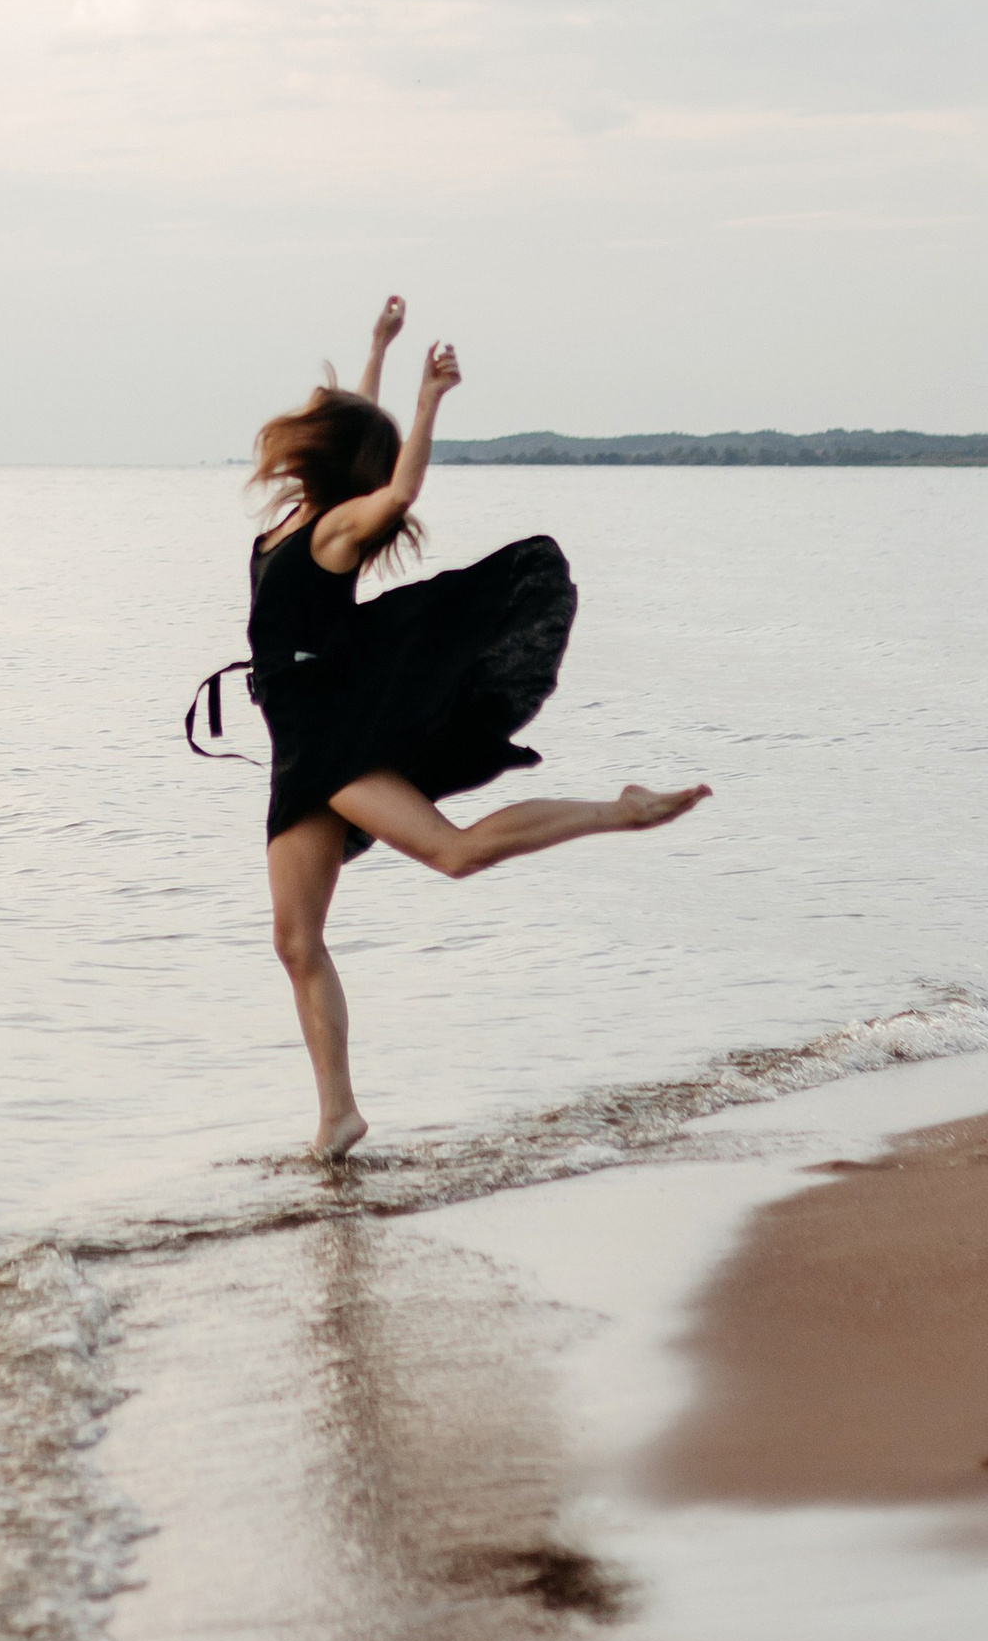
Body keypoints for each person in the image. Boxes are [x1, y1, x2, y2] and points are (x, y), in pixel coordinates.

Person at [250, 300, 709, 1161]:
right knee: (295, 939)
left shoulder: (337, 527)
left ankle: (620, 809)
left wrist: (428, 403)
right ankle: (337, 1117)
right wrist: (379, 349)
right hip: (299, 745)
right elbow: (359, 428)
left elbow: (400, 487)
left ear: (321, 454)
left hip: (334, 736)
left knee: (452, 853)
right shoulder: (300, 514)